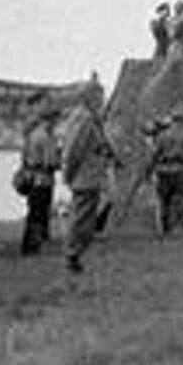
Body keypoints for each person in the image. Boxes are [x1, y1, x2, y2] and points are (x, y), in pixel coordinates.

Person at [62, 80, 112, 272]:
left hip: (90, 176)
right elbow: (75, 150)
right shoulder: (84, 120)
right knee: (81, 218)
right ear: (89, 97)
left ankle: (75, 254)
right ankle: (72, 254)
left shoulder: (90, 119)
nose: (102, 99)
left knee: (86, 219)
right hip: (84, 177)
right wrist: (69, 175)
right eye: (99, 94)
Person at [18, 93, 61, 255]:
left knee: (33, 213)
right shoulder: (45, 137)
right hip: (42, 180)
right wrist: (59, 162)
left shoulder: (32, 135)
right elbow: (50, 162)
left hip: (31, 178)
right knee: (38, 213)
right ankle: (31, 246)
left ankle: (30, 244)